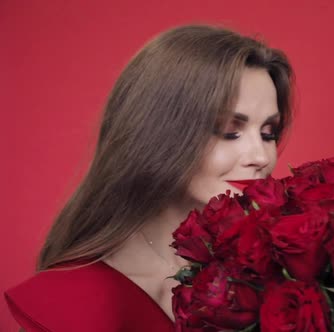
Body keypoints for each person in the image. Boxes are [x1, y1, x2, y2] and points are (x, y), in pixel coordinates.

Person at [4, 24, 294, 331]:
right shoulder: (76, 301)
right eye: (229, 132)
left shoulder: (278, 276)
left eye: (268, 133)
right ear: (158, 134)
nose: (261, 157)